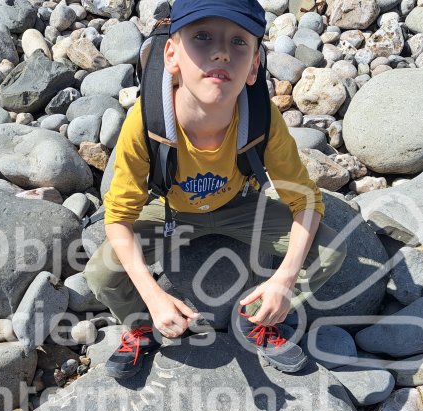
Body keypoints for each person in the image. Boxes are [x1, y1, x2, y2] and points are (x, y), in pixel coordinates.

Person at [84, 0, 346, 379]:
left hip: (240, 206)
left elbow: (305, 200)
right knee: (100, 273)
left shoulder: (261, 118)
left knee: (331, 250)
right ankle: (142, 326)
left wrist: (284, 281)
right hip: (172, 213)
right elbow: (119, 217)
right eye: (202, 37)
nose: (221, 51)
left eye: (239, 41)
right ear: (171, 54)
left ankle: (258, 320)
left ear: (254, 65)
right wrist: (154, 297)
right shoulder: (147, 121)